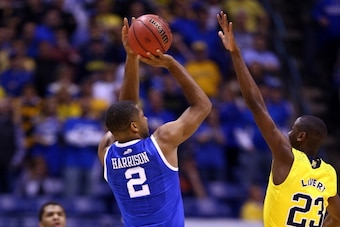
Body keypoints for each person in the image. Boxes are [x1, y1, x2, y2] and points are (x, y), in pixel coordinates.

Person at [217, 11, 340, 226]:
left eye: (293, 129)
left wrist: (235, 53)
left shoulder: (288, 157)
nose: (288, 132)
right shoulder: (328, 173)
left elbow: (256, 104)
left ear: (301, 136)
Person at [97, 17, 212, 226]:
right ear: (133, 126)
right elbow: (203, 106)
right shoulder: (161, 142)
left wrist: (132, 56)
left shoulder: (105, 152)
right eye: (142, 116)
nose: (146, 117)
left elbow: (125, 110)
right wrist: (171, 64)